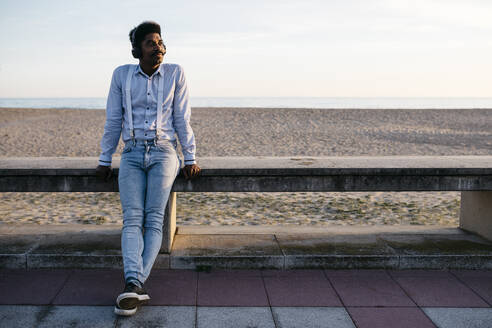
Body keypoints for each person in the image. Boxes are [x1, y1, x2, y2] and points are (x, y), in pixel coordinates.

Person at [95, 21, 200, 316]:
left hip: (165, 152)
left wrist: (189, 156)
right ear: (137, 50)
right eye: (151, 43)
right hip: (130, 153)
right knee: (132, 219)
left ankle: (133, 284)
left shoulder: (176, 73)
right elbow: (114, 120)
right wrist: (105, 159)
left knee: (153, 219)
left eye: (160, 42)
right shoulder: (122, 75)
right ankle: (134, 285)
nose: (159, 47)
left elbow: (182, 117)